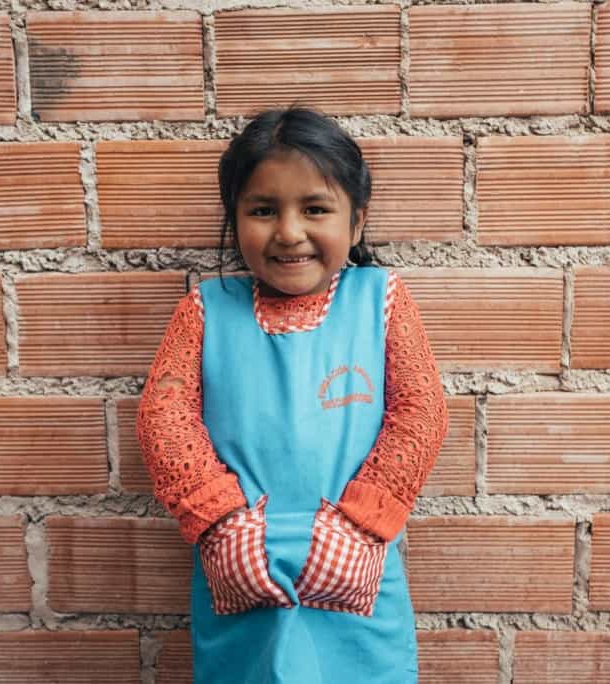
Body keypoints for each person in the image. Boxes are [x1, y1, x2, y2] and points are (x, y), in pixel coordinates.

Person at [136, 106, 448, 684]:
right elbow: (165, 415)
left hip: (356, 557)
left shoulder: (381, 300)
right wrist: (219, 520)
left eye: (315, 209)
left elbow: (419, 410)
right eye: (262, 210)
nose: (288, 231)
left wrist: (363, 522)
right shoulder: (205, 310)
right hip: (237, 558)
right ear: (235, 218)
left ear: (356, 222)